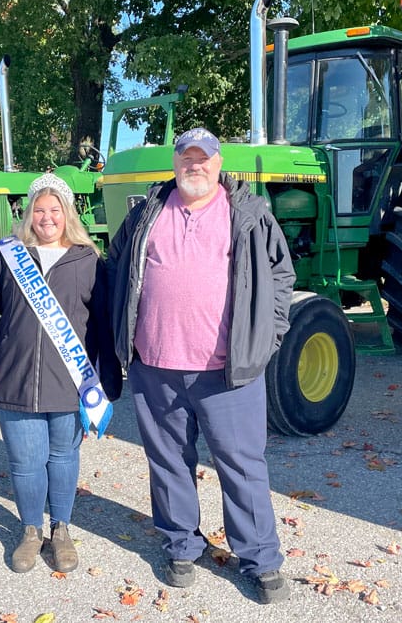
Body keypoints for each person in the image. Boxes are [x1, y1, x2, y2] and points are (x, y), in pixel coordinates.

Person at [107, 128, 296, 603]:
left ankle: (260, 559)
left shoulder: (248, 214)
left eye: (203, 158)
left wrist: (265, 338)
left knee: (242, 465)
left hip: (227, 372)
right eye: (187, 158)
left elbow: (280, 275)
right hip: (155, 366)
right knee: (168, 462)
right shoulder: (145, 213)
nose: (195, 166)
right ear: (175, 163)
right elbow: (117, 269)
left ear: (218, 162)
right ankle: (180, 546)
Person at [0, 173, 121, 574]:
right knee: (25, 462)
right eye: (40, 209)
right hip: (15, 378)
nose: (47, 217)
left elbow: (102, 322)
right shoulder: (8, 255)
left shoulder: (87, 259)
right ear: (29, 213)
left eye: (55, 210)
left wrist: (107, 379)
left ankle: (62, 530)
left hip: (69, 382)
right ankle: (30, 531)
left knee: (64, 456)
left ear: (67, 214)